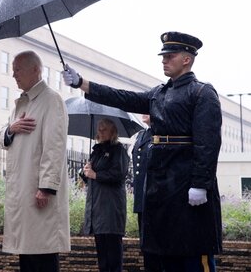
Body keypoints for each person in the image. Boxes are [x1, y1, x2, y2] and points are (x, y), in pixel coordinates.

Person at [62, 31, 222, 272]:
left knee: (191, 254)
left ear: (186, 59)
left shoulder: (202, 93)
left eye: (170, 55)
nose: (163, 60)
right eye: (164, 56)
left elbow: (208, 145)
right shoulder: (159, 93)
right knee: (162, 254)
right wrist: (82, 83)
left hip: (186, 182)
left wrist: (200, 183)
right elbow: (123, 97)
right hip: (160, 186)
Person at [0, 50, 71, 272]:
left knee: (43, 253)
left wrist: (46, 187)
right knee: (27, 255)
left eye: (17, 69)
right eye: (13, 70)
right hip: (22, 190)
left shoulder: (51, 100)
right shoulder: (22, 103)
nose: (13, 75)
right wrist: (11, 128)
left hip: (39, 191)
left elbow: (54, 146)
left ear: (35, 70)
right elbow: (0, 138)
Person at [81, 118, 129, 272]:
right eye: (99, 129)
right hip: (98, 209)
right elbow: (92, 179)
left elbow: (118, 174)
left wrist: (95, 174)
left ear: (113, 132)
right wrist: (85, 173)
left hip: (111, 209)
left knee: (113, 256)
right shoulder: (97, 151)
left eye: (104, 129)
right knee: (102, 257)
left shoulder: (119, 150)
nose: (100, 132)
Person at [132, 115, 163, 271]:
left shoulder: (161, 132)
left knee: (156, 243)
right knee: (145, 243)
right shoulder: (141, 134)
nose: (143, 113)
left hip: (154, 195)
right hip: (141, 196)